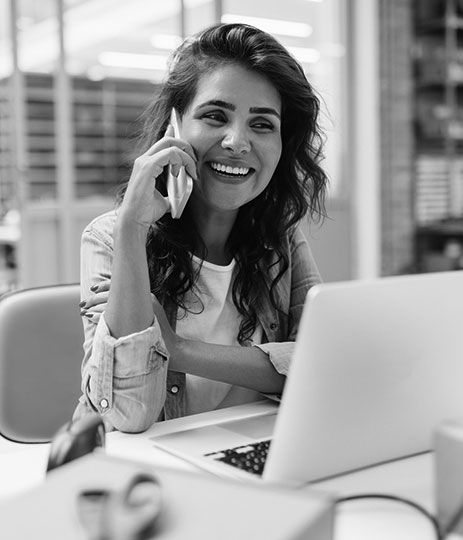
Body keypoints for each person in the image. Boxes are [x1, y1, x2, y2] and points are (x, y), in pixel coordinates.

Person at [73, 22, 328, 433]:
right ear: (173, 129)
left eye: (262, 124)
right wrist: (131, 229)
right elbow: (127, 414)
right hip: (141, 472)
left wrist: (177, 349)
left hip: (239, 452)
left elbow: (320, 365)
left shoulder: (280, 239)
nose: (237, 142)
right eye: (215, 116)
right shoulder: (109, 237)